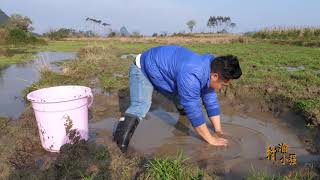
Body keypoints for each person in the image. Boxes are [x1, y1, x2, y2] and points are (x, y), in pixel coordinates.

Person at [113, 45, 242, 152]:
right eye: (223, 84)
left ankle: (182, 117)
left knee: (184, 100)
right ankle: (118, 147)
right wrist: (211, 139)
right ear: (214, 76)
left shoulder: (211, 66)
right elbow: (195, 112)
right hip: (143, 68)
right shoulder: (192, 75)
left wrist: (218, 131)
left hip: (166, 73)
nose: (221, 88)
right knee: (141, 105)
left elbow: (210, 99)